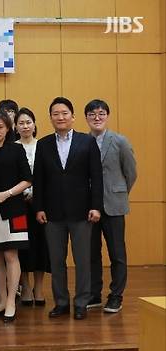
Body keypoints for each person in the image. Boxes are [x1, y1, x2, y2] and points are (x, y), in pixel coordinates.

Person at [33, 97, 103, 320]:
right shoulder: (43, 144)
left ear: (72, 117)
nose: (60, 117)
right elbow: (39, 179)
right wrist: (39, 207)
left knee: (83, 260)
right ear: (51, 118)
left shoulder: (87, 142)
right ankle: (61, 302)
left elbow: (97, 177)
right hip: (52, 214)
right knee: (56, 260)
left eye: (64, 113)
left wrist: (96, 207)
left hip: (82, 212)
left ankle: (81, 302)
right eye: (55, 113)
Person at [85, 99, 137, 313]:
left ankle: (116, 295)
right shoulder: (82, 141)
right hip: (89, 207)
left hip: (114, 206)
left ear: (107, 115)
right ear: (86, 117)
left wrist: (119, 193)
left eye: (101, 113)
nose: (97, 118)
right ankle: (94, 293)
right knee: (91, 253)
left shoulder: (120, 141)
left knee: (117, 253)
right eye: (92, 114)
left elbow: (131, 173)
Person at [0, 111, 32, 323]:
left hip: (14, 210)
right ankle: (2, 300)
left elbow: (27, 180)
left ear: (8, 128)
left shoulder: (16, 149)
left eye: (1, 127)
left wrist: (6, 194)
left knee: (11, 255)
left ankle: (12, 300)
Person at [15, 107, 49, 307]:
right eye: (21, 123)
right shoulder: (12, 147)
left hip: (40, 205)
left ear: (34, 124)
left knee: (40, 246)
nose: (25, 126)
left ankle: (39, 287)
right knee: (21, 246)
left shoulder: (43, 146)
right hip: (18, 206)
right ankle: (25, 287)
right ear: (16, 127)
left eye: (28, 122)